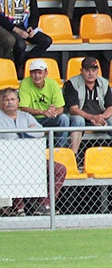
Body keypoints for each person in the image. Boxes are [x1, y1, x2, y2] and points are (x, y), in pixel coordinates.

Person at [0, 87, 66, 216]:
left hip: (31, 158)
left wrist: (23, 132)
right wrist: (26, 132)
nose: (9, 102)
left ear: (18, 102)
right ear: (1, 102)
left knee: (59, 169)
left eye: (12, 99)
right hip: (7, 160)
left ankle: (44, 204)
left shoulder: (26, 116)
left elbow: (40, 132)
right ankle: (18, 207)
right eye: (6, 99)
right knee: (15, 166)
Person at [63, 56, 112, 156]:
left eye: (93, 70)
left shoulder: (104, 83)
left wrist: (101, 118)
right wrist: (92, 117)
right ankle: (74, 156)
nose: (91, 73)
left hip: (100, 119)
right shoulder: (72, 83)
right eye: (87, 70)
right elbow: (73, 109)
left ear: (97, 71)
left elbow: (111, 107)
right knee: (78, 120)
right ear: (81, 71)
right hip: (82, 119)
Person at [0, 0, 52, 75]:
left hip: (25, 25)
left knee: (46, 41)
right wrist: (16, 30)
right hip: (10, 27)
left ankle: (24, 62)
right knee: (20, 44)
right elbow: (1, 18)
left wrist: (31, 28)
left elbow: (35, 14)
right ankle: (18, 68)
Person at [17, 58, 70, 147]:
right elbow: (24, 108)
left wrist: (53, 112)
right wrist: (43, 112)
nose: (36, 75)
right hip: (31, 118)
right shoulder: (25, 83)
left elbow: (60, 108)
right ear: (30, 74)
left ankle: (60, 149)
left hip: (48, 118)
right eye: (34, 72)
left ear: (46, 73)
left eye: (39, 72)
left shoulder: (53, 84)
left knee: (64, 118)